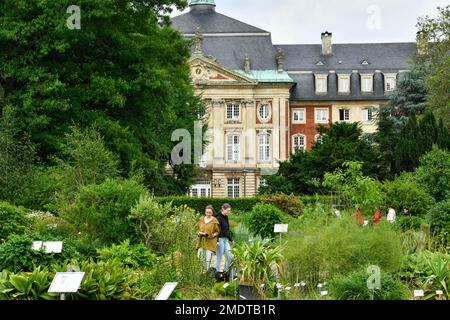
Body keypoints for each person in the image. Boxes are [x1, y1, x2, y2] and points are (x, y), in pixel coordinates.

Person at [196, 205, 220, 271]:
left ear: (212, 213)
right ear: (205, 212)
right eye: (207, 212)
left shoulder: (214, 221)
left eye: (210, 212)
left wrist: (213, 235)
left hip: (210, 243)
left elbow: (217, 232)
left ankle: (206, 276)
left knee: (207, 261)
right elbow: (197, 229)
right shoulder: (201, 219)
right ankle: (200, 275)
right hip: (201, 242)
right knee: (200, 259)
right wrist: (199, 233)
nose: (208, 214)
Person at [215, 203, 233, 274]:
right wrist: (217, 241)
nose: (229, 212)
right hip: (220, 240)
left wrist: (231, 239)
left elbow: (227, 229)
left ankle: (226, 271)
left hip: (226, 240)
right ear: (223, 209)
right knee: (219, 257)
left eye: (229, 211)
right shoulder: (218, 218)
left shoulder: (226, 217)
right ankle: (218, 272)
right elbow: (216, 230)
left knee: (229, 256)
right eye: (228, 210)